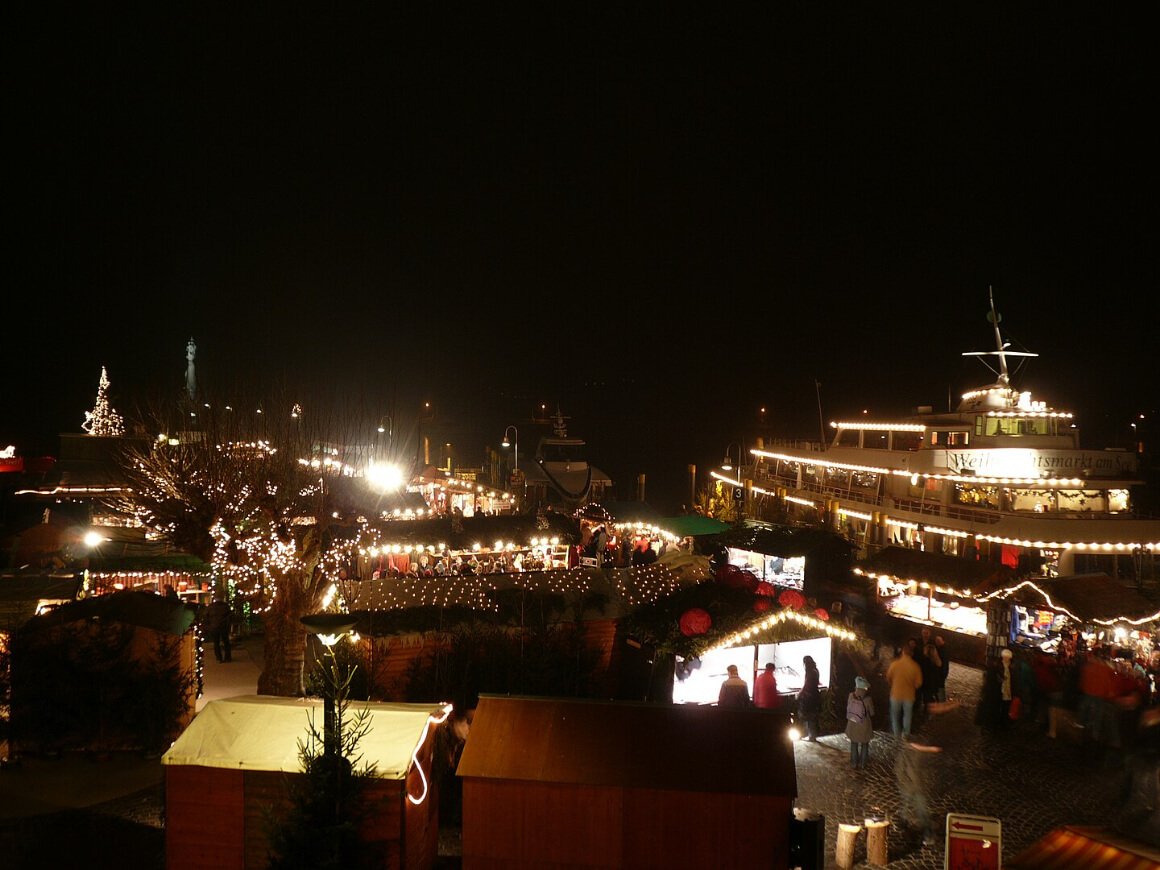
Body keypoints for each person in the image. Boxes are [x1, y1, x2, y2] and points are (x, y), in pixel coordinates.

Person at [894, 699, 962, 847]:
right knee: (919, 809)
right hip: (913, 787)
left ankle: (912, 826)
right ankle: (925, 833)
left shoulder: (912, 749)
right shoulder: (915, 752)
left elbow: (904, 768)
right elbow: (908, 768)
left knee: (913, 808)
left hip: (911, 786)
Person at [886, 644, 923, 740]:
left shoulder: (895, 664)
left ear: (902, 652)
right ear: (912, 654)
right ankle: (905, 734)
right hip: (909, 695)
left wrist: (893, 685)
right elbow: (918, 683)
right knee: (907, 715)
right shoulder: (915, 667)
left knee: (895, 715)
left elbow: (888, 677)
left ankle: (896, 734)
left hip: (896, 694)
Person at [845, 675, 875, 769]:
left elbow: (848, 708)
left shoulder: (851, 696)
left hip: (852, 723)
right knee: (865, 744)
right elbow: (872, 713)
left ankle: (854, 763)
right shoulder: (868, 699)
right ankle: (863, 763)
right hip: (864, 725)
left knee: (854, 743)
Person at [797, 655, 822, 741]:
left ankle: (807, 735)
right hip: (815, 695)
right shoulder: (815, 670)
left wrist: (800, 693)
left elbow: (806, 684)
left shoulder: (809, 671)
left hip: (808, 697)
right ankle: (812, 735)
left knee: (805, 715)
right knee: (812, 716)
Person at [204, 595, 232, 663]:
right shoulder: (226, 606)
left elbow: (206, 616)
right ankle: (227, 657)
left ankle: (219, 657)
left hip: (214, 627)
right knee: (226, 642)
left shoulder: (210, 607)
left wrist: (208, 625)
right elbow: (230, 616)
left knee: (216, 643)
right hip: (224, 626)